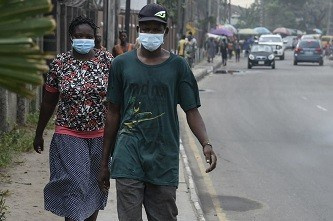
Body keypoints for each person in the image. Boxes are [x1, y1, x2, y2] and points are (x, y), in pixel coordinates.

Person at [98, 3, 217, 221]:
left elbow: (191, 111)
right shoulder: (120, 64)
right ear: (139, 31)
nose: (151, 33)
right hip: (128, 154)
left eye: (156, 29)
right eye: (146, 28)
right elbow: (112, 113)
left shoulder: (178, 66)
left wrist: (206, 143)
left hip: (163, 157)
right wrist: (104, 162)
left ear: (165, 32)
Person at [33, 16, 113, 221]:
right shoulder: (60, 63)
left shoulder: (107, 62)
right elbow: (49, 102)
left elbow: (117, 102)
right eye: (79, 36)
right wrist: (39, 132)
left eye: (88, 36)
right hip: (69, 134)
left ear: (95, 38)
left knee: (95, 187)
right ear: (71, 37)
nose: (84, 40)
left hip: (100, 136)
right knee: (75, 186)